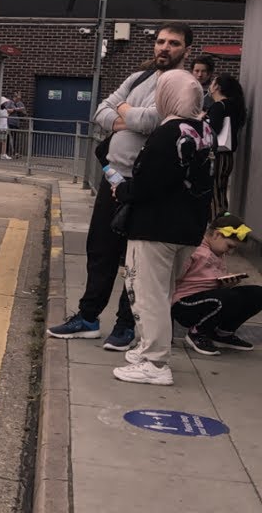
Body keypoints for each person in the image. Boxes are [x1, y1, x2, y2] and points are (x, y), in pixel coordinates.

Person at [48, 23, 193, 351]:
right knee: (100, 250)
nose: (164, 48)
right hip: (112, 177)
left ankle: (126, 326)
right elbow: (100, 110)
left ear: (186, 49)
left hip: (143, 186)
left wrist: (124, 111)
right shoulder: (140, 78)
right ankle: (88, 318)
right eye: (160, 41)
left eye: (173, 43)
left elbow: (149, 122)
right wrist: (131, 116)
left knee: (134, 259)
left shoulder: (181, 85)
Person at [111, 69, 215, 385]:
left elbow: (146, 185)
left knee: (147, 294)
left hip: (155, 228)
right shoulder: (203, 132)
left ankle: (155, 363)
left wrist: (122, 190)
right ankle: (147, 351)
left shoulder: (168, 134)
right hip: (188, 229)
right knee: (163, 292)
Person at [172, 213, 258, 356]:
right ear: (217, 234)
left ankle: (223, 333)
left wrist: (227, 284)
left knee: (256, 294)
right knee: (229, 297)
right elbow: (175, 276)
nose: (230, 252)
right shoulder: (195, 250)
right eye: (229, 246)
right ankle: (197, 333)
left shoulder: (217, 253)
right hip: (185, 303)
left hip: (209, 299)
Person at [205, 73, 246, 219]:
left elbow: (211, 131)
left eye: (213, 83)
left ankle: (219, 226)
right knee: (221, 190)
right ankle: (225, 223)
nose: (210, 86)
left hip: (216, 155)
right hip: (227, 155)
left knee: (214, 191)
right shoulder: (234, 106)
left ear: (217, 87)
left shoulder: (218, 106)